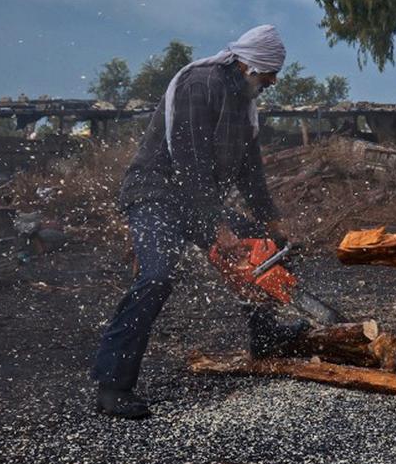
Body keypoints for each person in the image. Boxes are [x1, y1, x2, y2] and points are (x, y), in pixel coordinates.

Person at [91, 24, 290, 419]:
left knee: (267, 250)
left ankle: (267, 337)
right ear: (247, 65)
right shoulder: (200, 85)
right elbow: (191, 162)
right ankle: (112, 386)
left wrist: (271, 221)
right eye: (268, 73)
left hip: (195, 200)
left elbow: (251, 170)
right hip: (156, 195)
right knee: (158, 277)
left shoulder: (244, 104)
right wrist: (217, 226)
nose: (272, 81)